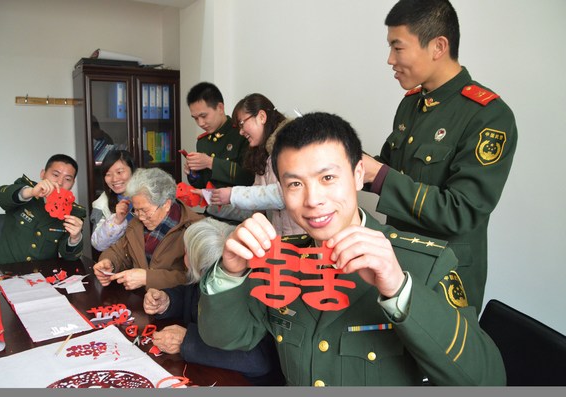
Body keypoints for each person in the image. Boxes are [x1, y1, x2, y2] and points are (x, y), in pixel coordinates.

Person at [197, 112, 505, 386]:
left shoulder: (424, 263)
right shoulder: (281, 260)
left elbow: (487, 381)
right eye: (294, 184)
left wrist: (399, 289)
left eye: (328, 178)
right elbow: (226, 337)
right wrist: (229, 271)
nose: (313, 199)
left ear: (358, 175)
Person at [361, 0, 518, 313]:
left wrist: (376, 174)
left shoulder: (488, 116)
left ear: (438, 46)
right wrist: (345, 160)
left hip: (446, 279)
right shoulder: (411, 105)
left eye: (397, 47)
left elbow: (461, 212)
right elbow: (390, 170)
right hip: (399, 263)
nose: (390, 59)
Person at [143, 218, 284, 385]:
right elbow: (192, 297)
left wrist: (187, 341)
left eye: (187, 251)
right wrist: (168, 301)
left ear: (199, 264)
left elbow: (259, 359)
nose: (183, 256)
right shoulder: (210, 278)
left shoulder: (252, 292)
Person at [93, 168, 204, 290]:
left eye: (145, 210)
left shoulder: (195, 229)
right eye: (136, 210)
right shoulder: (137, 222)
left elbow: (195, 278)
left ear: (166, 205)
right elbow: (119, 250)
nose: (140, 216)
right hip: (140, 301)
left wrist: (147, 278)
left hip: (175, 305)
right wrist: (109, 262)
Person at [210, 93, 304, 236]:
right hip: (283, 239)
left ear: (261, 117)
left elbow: (284, 193)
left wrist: (232, 195)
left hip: (304, 238)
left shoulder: (291, 146)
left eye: (242, 124)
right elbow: (257, 200)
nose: (241, 132)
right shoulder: (263, 154)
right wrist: (213, 198)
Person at [0, 154, 86, 265]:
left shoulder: (73, 213)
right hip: (1, 267)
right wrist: (30, 192)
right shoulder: (25, 190)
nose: (60, 182)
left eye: (67, 179)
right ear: (43, 174)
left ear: (72, 184)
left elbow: (70, 258)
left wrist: (75, 238)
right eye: (55, 175)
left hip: (40, 274)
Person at [185, 82, 255, 222]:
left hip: (240, 215)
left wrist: (211, 163)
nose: (200, 123)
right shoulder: (203, 142)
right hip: (213, 213)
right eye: (195, 118)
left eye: (204, 116)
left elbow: (248, 177)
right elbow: (204, 184)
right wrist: (193, 174)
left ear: (220, 108)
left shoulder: (242, 134)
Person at [90, 150, 136, 251]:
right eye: (108, 174)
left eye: (119, 172)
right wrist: (117, 221)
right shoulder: (101, 205)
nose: (114, 179)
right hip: (120, 262)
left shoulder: (148, 196)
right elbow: (97, 244)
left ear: (132, 171)